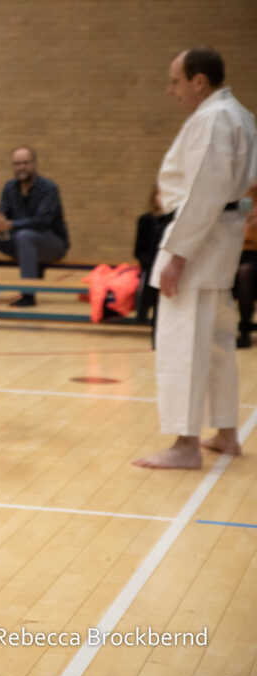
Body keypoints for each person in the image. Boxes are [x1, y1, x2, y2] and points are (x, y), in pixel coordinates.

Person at [133, 46, 257, 470]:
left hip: (198, 244)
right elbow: (241, 197)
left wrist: (179, 254)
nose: (171, 90)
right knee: (218, 342)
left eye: (175, 81)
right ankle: (226, 432)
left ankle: (185, 443)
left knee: (182, 343)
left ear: (199, 81)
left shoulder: (211, 120)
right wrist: (241, 217)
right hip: (221, 241)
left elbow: (205, 193)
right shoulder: (241, 116)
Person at [0, 146, 70, 306]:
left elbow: (42, 222)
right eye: (17, 164)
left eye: (25, 163)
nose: (21, 167)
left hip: (52, 242)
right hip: (20, 242)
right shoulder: (9, 188)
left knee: (25, 236)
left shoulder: (49, 188)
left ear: (34, 164)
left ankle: (27, 294)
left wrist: (10, 224)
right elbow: (4, 217)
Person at [133, 184, 174, 323]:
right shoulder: (145, 220)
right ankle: (142, 314)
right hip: (149, 266)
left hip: (169, 266)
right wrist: (152, 265)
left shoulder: (174, 222)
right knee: (149, 281)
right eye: (159, 194)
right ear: (154, 197)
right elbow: (138, 251)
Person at [236, 186, 257, 348]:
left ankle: (245, 328)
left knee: (246, 271)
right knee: (243, 271)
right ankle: (244, 328)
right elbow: (241, 220)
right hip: (246, 251)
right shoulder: (248, 195)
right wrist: (248, 220)